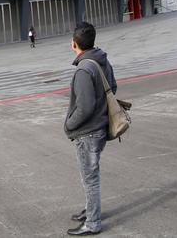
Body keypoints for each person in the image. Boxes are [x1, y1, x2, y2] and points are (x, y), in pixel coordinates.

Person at [64, 22, 117, 236]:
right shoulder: (101, 60)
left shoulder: (84, 70)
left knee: (90, 177)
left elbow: (84, 108)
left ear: (74, 44)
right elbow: (112, 88)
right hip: (101, 127)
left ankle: (93, 222)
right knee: (90, 175)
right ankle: (91, 209)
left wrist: (68, 124)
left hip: (89, 132)